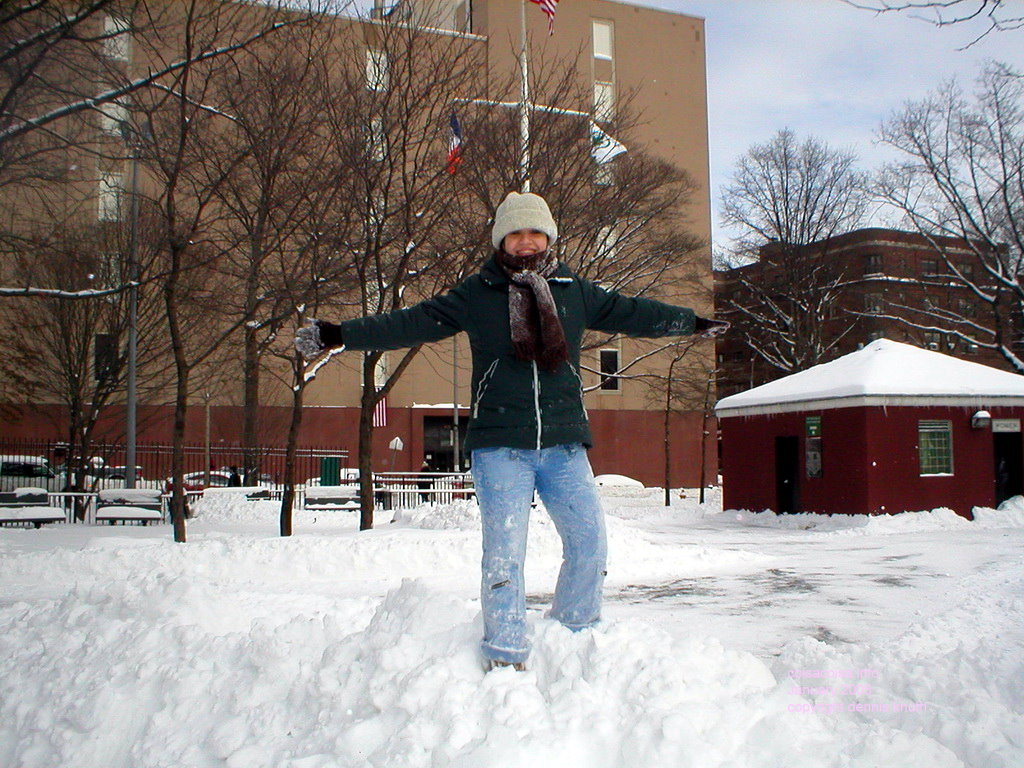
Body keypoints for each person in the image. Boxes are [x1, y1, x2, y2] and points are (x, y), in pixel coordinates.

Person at [295, 191, 728, 671]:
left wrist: (691, 323)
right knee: (504, 555)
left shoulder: (574, 291)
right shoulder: (476, 294)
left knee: (590, 544)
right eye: (516, 233)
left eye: (535, 233)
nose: (526, 242)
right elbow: (409, 323)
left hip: (564, 444)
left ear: (548, 237)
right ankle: (505, 652)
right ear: (502, 239)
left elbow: (635, 312)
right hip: (501, 445)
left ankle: (574, 634)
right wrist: (339, 334)